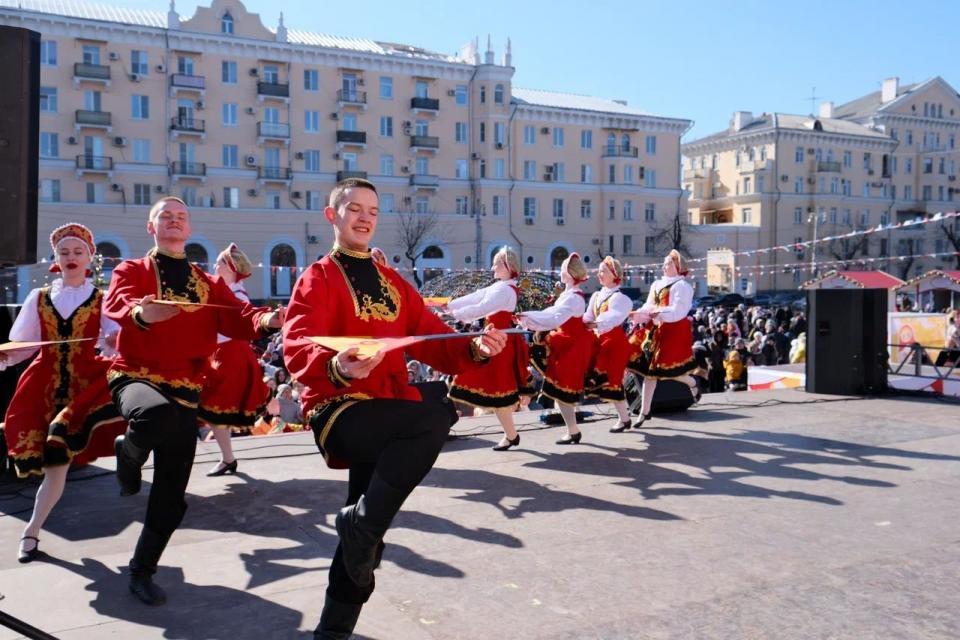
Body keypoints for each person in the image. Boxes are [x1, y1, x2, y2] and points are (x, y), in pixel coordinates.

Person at [281, 178, 506, 638]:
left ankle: (333, 628)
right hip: (339, 409)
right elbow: (297, 342)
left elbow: (433, 337)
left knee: (365, 535)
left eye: (372, 211)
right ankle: (360, 527)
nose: (364, 218)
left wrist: (476, 348)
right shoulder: (318, 277)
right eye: (354, 209)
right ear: (332, 215)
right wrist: (338, 366)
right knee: (435, 413)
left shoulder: (394, 283)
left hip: (387, 412)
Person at [104, 197, 283, 606]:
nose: (174, 221)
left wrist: (269, 319)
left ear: (188, 229)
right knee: (153, 414)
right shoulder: (132, 270)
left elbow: (238, 315)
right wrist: (142, 313)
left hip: (186, 387)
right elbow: (118, 301)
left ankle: (142, 571)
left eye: (181, 217)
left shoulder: (207, 282)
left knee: (172, 493)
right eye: (165, 216)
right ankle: (129, 454)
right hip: (136, 375)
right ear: (151, 227)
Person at [1, 223, 127, 563]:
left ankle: (30, 532)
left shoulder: (102, 299)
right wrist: (5, 355)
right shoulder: (39, 298)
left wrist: (114, 340)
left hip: (84, 390)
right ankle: (31, 534)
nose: (71, 257)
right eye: (64, 252)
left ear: (89, 258)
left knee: (58, 462)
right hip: (42, 386)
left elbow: (117, 342)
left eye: (78, 251)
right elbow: (24, 344)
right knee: (53, 466)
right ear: (55, 258)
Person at [446, 247, 533, 451]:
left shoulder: (504, 290)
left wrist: (455, 313)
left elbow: (481, 307)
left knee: (495, 389)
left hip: (497, 343)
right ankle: (511, 436)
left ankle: (510, 435)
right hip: (494, 340)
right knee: (495, 389)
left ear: (507, 266)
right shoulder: (501, 286)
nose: (492, 267)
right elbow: (477, 296)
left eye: (496, 264)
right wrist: (451, 306)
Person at [198, 244, 272, 477]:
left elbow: (236, 326)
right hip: (222, 354)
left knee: (215, 408)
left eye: (220, 261)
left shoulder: (236, 294)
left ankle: (227, 458)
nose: (215, 265)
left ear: (230, 267)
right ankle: (227, 458)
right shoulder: (226, 290)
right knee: (213, 410)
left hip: (230, 356)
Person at [517, 253, 593, 444]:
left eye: (563, 268)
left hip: (570, 346)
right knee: (558, 390)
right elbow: (551, 314)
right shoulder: (569, 295)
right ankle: (573, 430)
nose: (560, 271)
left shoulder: (573, 298)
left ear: (570, 273)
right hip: (564, 343)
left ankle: (573, 430)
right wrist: (528, 317)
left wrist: (528, 318)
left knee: (560, 390)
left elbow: (554, 317)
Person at [626, 250, 699, 427]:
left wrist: (658, 312)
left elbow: (678, 311)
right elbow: (649, 305)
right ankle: (644, 412)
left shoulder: (682, 286)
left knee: (669, 371)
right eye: (664, 263)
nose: (664, 266)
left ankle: (691, 382)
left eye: (669, 264)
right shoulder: (657, 284)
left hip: (673, 331)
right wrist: (638, 314)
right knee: (650, 373)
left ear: (678, 267)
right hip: (656, 330)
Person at [582, 257, 634, 433]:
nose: (599, 274)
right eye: (598, 271)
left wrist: (595, 324)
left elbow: (614, 317)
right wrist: (578, 321)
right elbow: (588, 316)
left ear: (614, 274)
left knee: (613, 380)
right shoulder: (596, 296)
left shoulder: (620, 298)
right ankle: (625, 418)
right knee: (607, 380)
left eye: (603, 271)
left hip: (614, 343)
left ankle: (624, 418)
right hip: (600, 342)